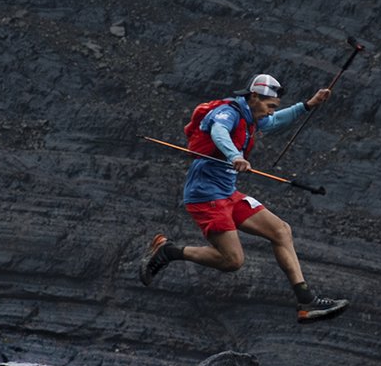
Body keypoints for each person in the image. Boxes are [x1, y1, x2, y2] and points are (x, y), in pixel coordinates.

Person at [139, 73, 349, 322]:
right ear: (254, 97)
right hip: (206, 196)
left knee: (281, 231)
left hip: (228, 193)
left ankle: (306, 301)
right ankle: (169, 251)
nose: (270, 112)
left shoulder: (251, 118)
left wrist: (307, 106)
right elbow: (219, 132)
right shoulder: (228, 112)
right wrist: (234, 156)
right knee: (232, 261)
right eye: (269, 106)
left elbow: (274, 122)